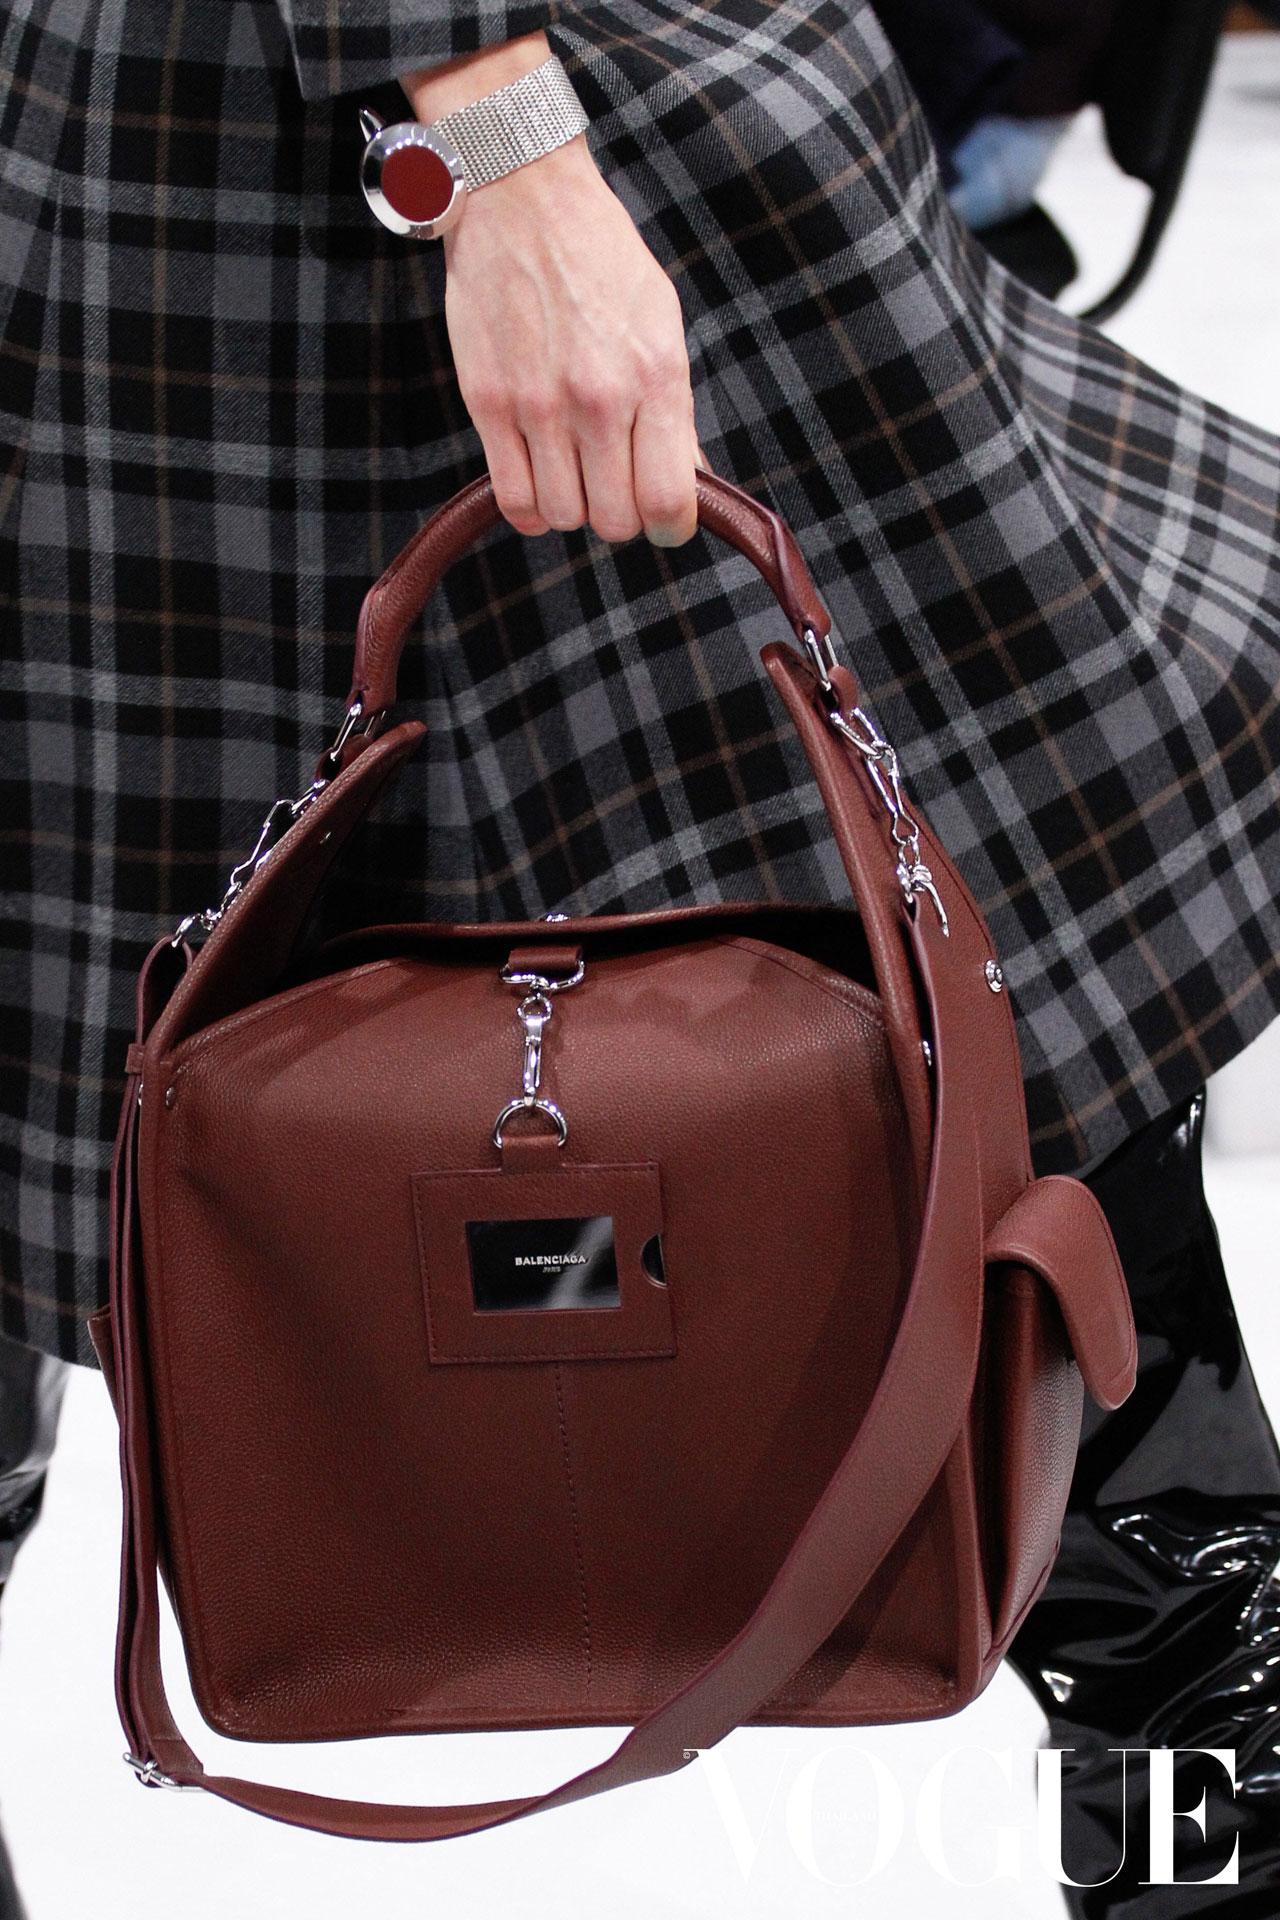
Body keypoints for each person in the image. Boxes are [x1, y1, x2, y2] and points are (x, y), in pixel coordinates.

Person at [1, 0, 1278, 1909]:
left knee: (1094, 1402)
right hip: (306, 196)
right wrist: (499, 143)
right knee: (1112, 1438)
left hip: (376, 185)